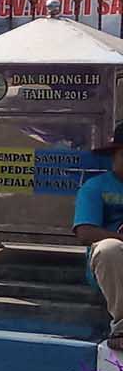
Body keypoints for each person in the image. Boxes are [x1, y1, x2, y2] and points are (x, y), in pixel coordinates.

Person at [73, 122, 123, 349]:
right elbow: (85, 232)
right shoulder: (96, 187)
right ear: (115, 154)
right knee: (109, 248)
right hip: (113, 264)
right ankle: (122, 328)